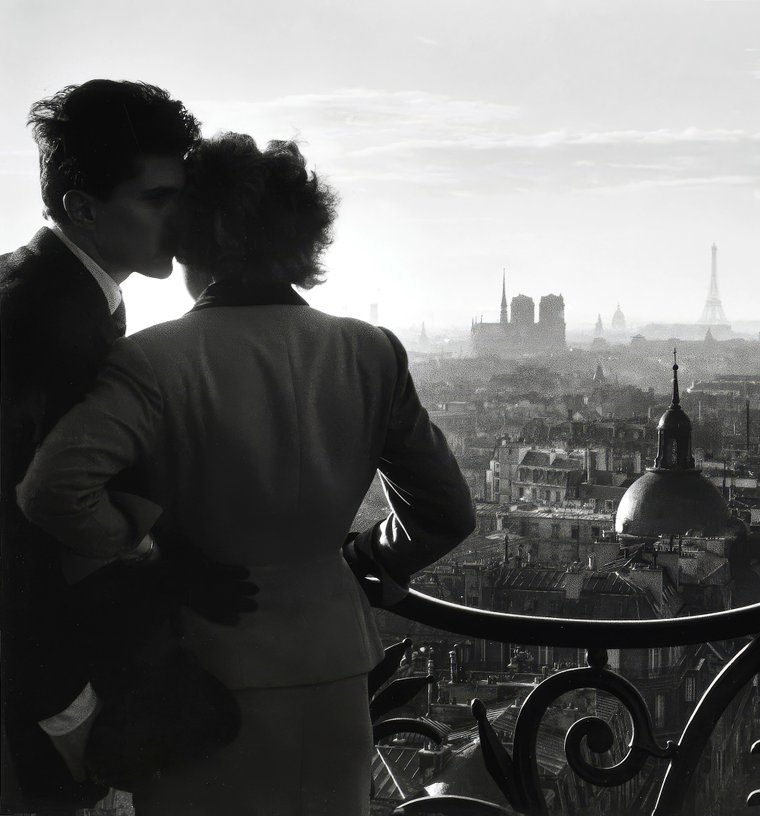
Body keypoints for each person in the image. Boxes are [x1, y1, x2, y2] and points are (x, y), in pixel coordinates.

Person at [18, 132, 477, 815]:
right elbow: (447, 512)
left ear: (191, 238)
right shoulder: (369, 351)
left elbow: (52, 489)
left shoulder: (155, 359)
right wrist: (355, 558)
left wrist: (143, 545)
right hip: (335, 665)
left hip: (199, 675)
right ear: (304, 237)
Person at [0, 79, 200, 814]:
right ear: (82, 207)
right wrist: (72, 713)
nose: (178, 222)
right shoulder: (50, 324)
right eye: (155, 200)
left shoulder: (39, 291)